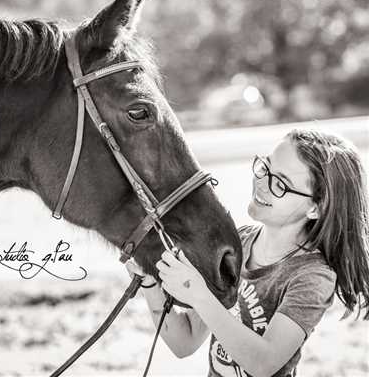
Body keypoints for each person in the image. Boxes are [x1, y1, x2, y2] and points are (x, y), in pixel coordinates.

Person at [126, 128, 369, 377]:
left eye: (280, 184)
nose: (262, 183)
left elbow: (263, 364)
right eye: (266, 167)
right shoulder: (238, 243)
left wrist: (198, 293)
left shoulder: (312, 277)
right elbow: (183, 341)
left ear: (315, 209)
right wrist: (150, 283)